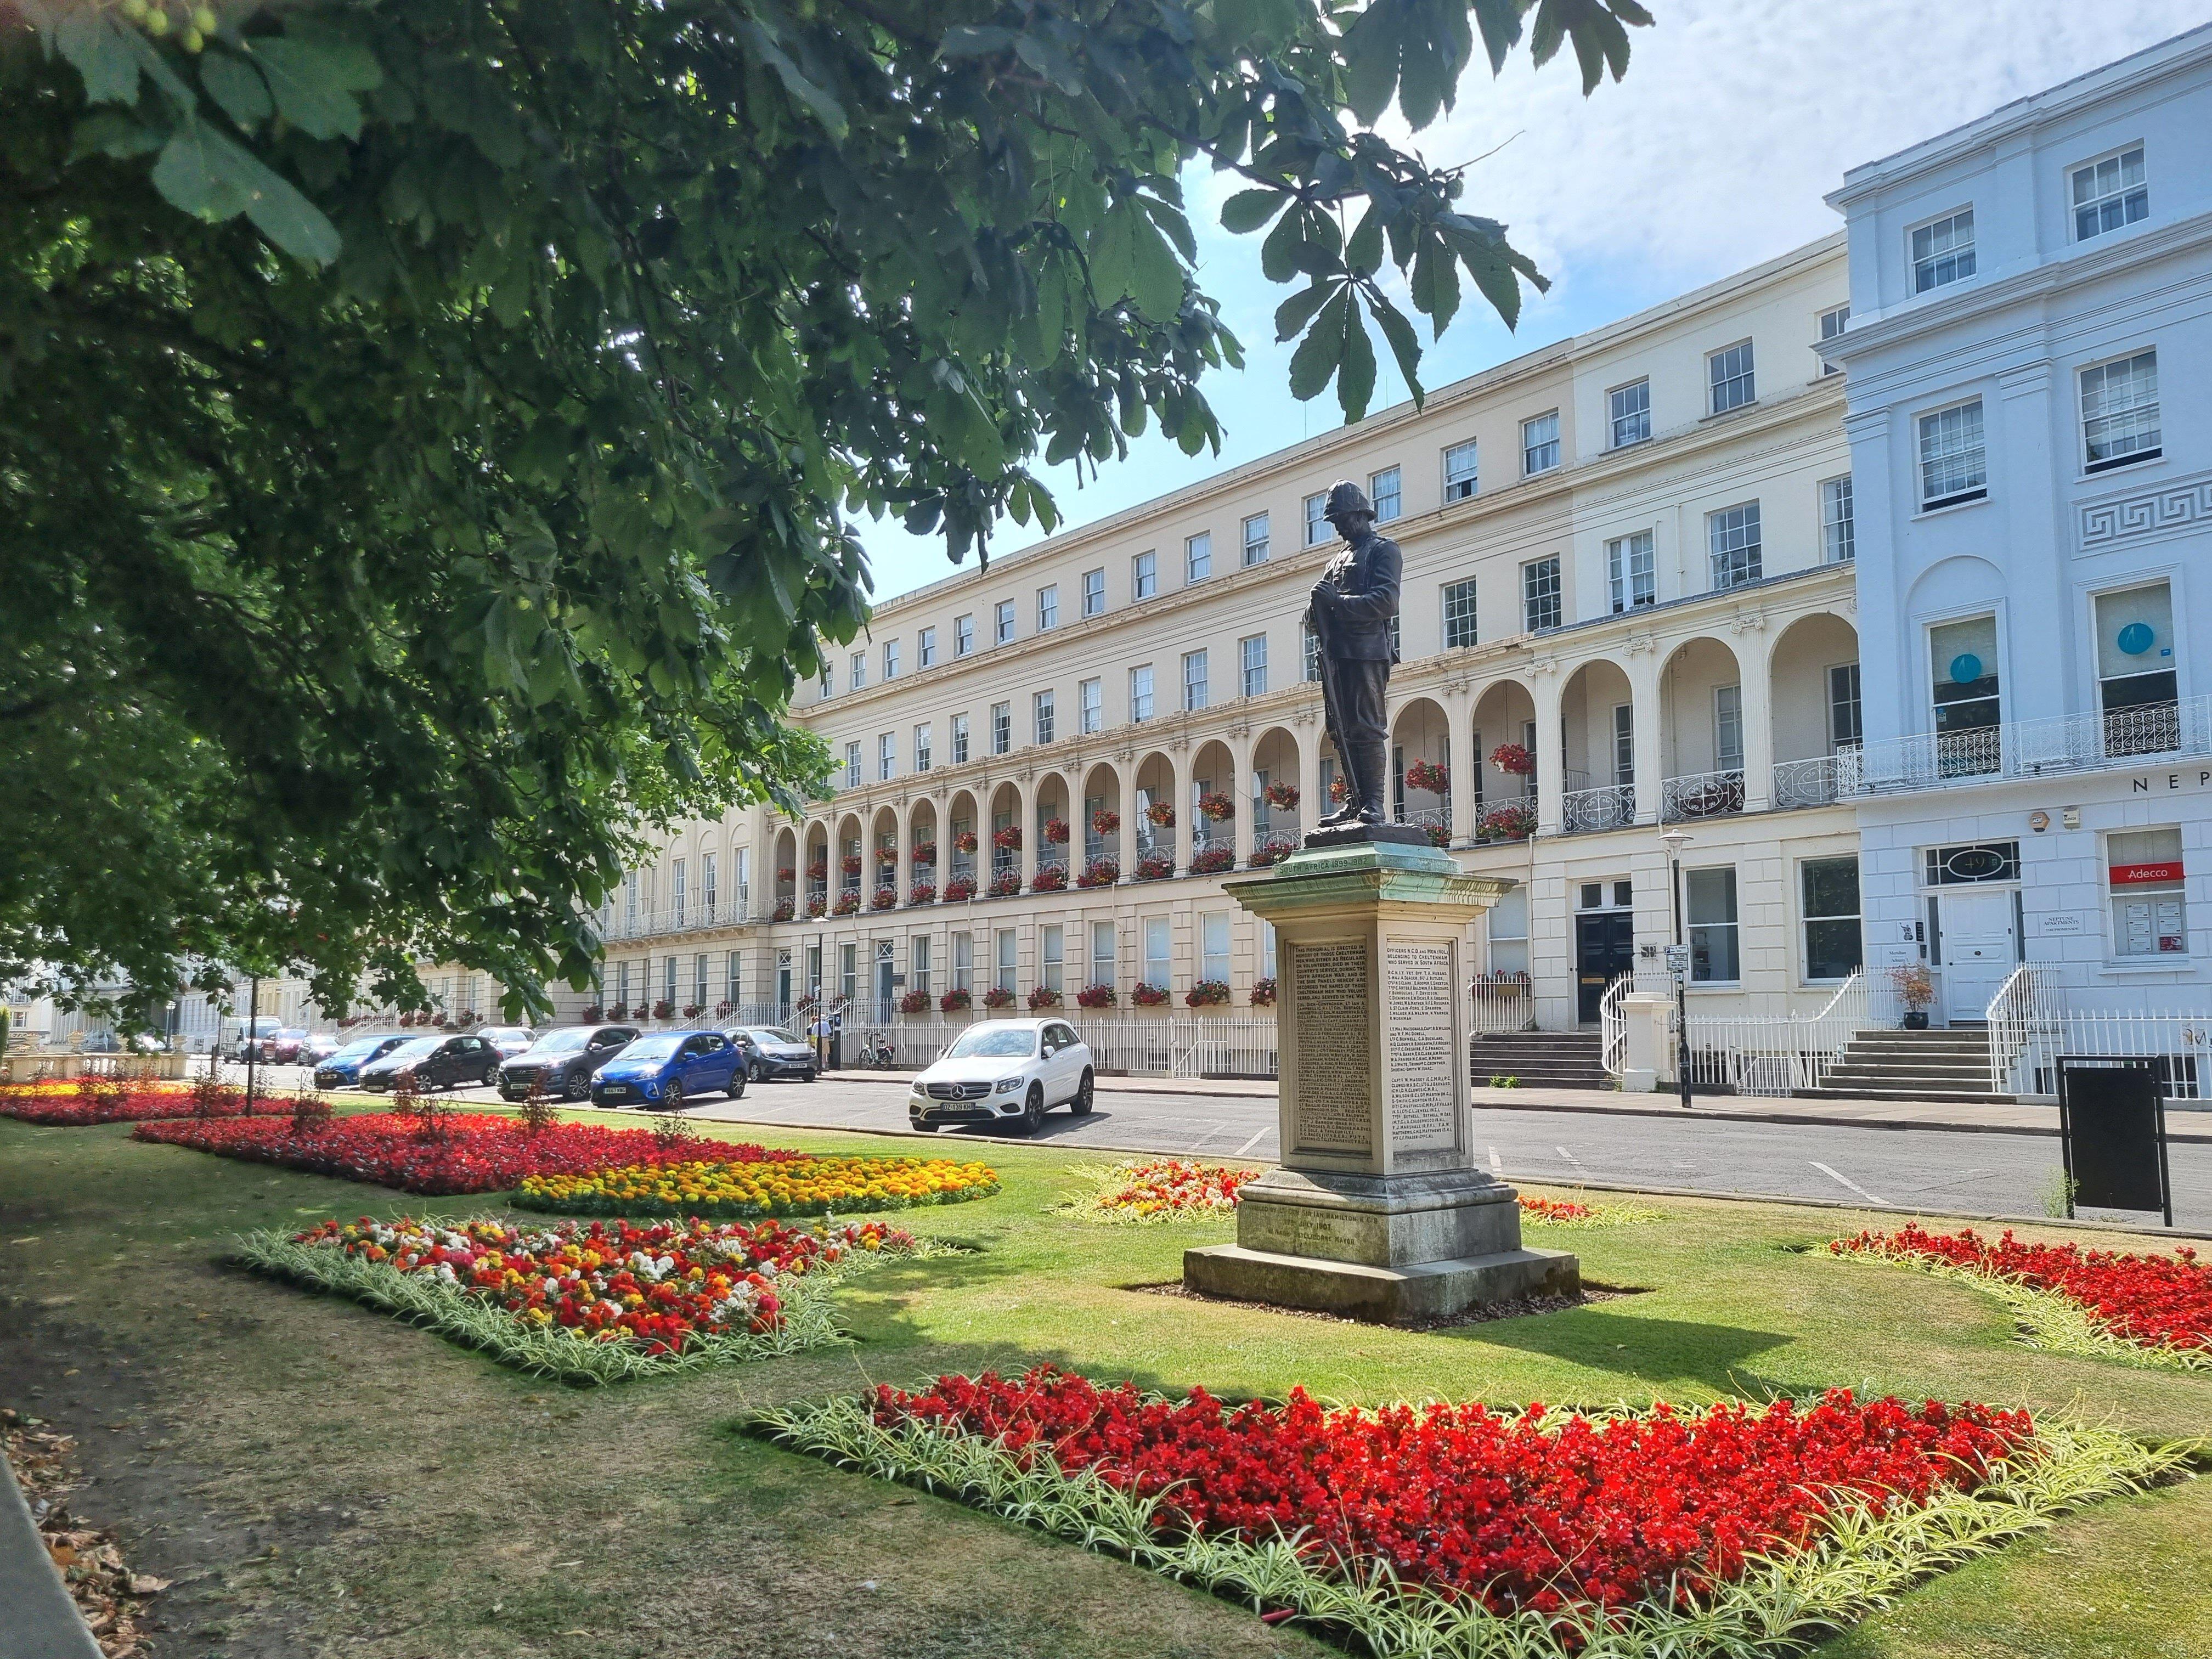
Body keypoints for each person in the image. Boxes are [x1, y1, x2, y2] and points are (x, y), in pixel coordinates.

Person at [1306, 480, 1402, 827]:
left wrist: (1337, 603)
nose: (1340, 527)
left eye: (1343, 519)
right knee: (1339, 730)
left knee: (1367, 727)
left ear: (1361, 514)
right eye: (1335, 522)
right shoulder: (1334, 562)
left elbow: (1386, 602)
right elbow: (1314, 616)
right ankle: (1354, 802)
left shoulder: (1383, 550)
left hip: (1366, 651)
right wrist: (1315, 607)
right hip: (1336, 656)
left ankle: (1373, 803)